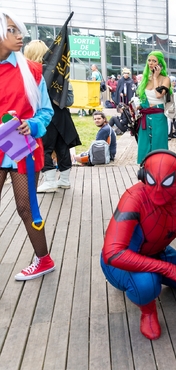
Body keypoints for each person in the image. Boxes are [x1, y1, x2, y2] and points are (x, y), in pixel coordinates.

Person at [101, 150, 176, 339]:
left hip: (158, 251)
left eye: (166, 183)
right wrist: (167, 269)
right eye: (150, 181)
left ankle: (156, 277)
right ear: (142, 177)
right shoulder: (133, 198)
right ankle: (148, 311)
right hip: (119, 264)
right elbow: (112, 254)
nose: (157, 190)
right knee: (147, 285)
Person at [0, 10, 55, 280]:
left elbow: (46, 112)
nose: (19, 35)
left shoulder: (31, 71)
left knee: (26, 207)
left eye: (19, 30)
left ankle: (44, 260)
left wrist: (31, 125)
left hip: (22, 147)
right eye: (12, 30)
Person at [23, 40, 82, 193]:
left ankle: (49, 181)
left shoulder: (29, 74)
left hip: (43, 116)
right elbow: (69, 100)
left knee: (44, 147)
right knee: (62, 147)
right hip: (62, 116)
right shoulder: (59, 73)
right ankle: (64, 180)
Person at [134, 52, 171, 164]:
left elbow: (158, 95)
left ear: (159, 63)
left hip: (159, 116)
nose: (151, 63)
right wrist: (138, 105)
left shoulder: (166, 79)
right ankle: (145, 170)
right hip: (145, 115)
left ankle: (159, 168)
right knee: (144, 144)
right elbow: (143, 98)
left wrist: (155, 78)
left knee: (159, 143)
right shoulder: (145, 79)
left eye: (154, 61)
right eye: (149, 60)